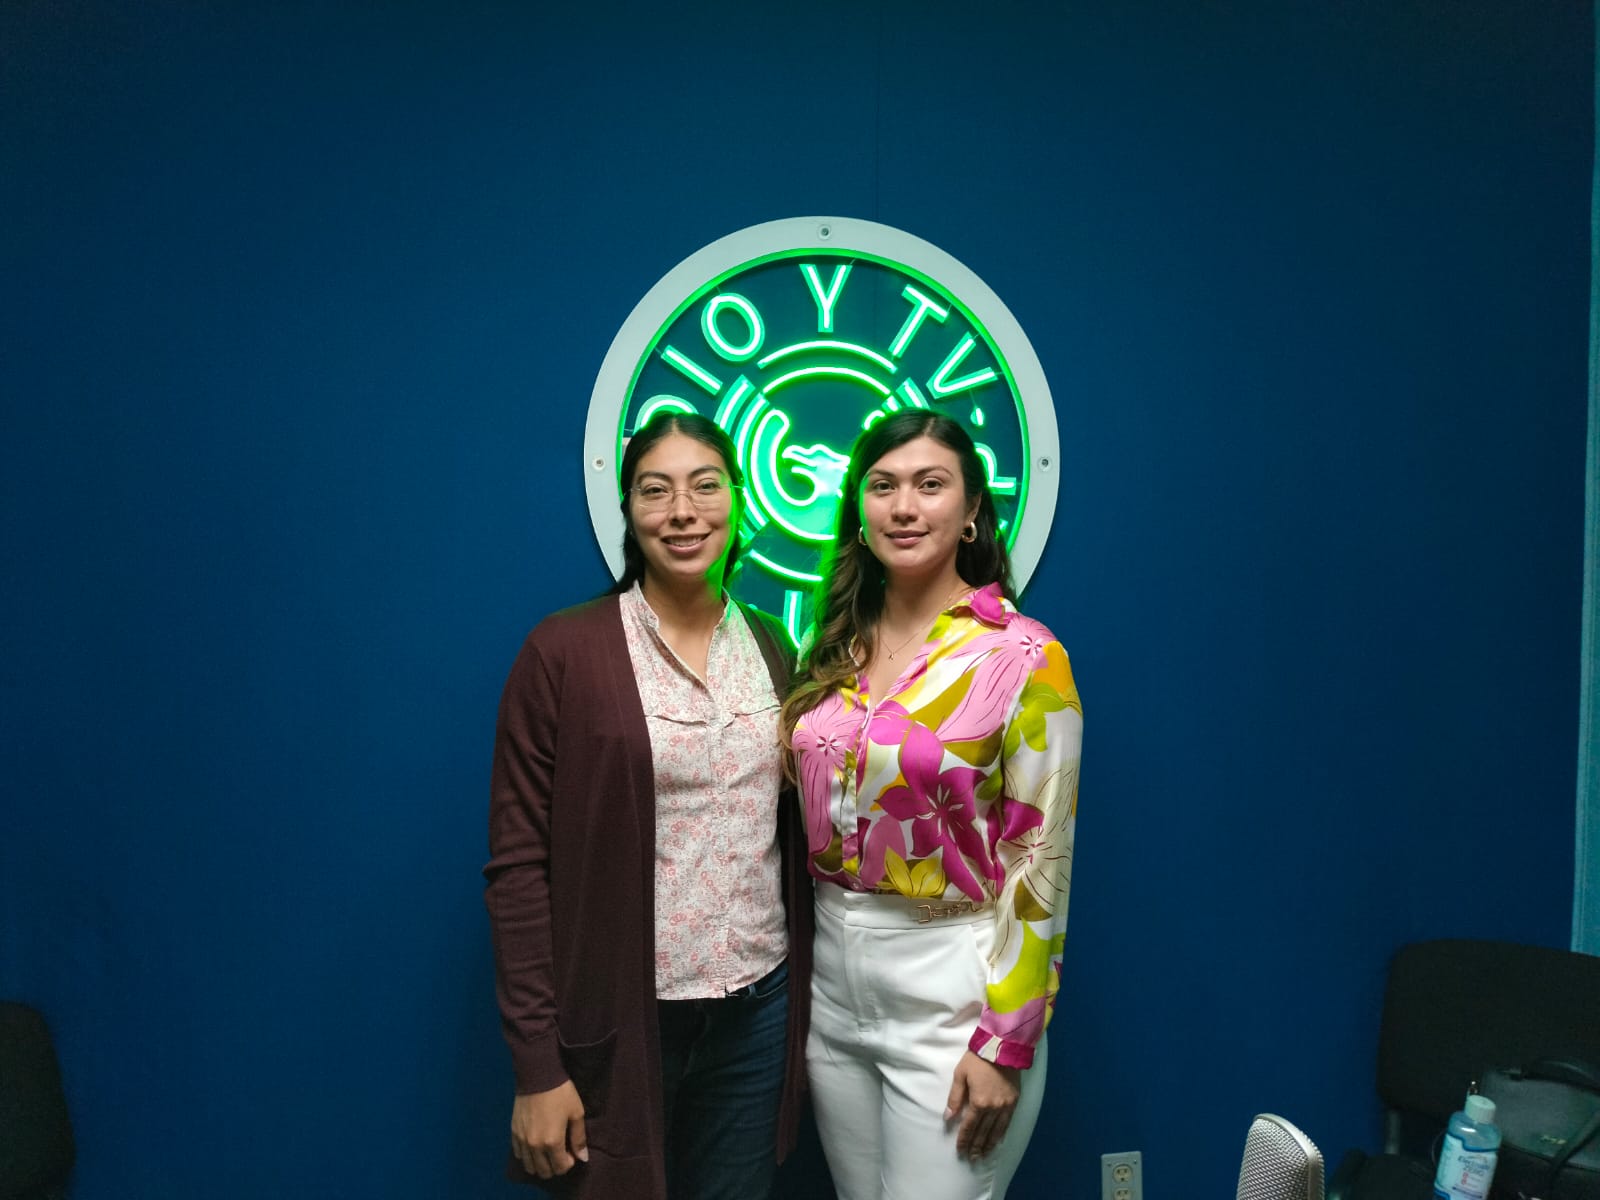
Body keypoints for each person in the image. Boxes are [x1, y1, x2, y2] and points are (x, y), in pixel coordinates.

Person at [484, 411, 812, 1200]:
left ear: (739, 500)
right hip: (624, 1022)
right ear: (629, 510)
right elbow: (518, 870)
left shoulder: (774, 646)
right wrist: (537, 1066)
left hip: (757, 1014)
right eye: (655, 490)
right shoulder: (563, 653)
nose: (683, 512)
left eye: (705, 486)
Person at [780, 410, 1082, 1200]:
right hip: (834, 988)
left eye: (930, 485)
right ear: (859, 508)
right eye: (883, 486)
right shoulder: (833, 646)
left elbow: (1042, 858)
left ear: (971, 507)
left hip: (954, 990)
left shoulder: (1023, 655)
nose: (904, 507)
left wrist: (1006, 1040)